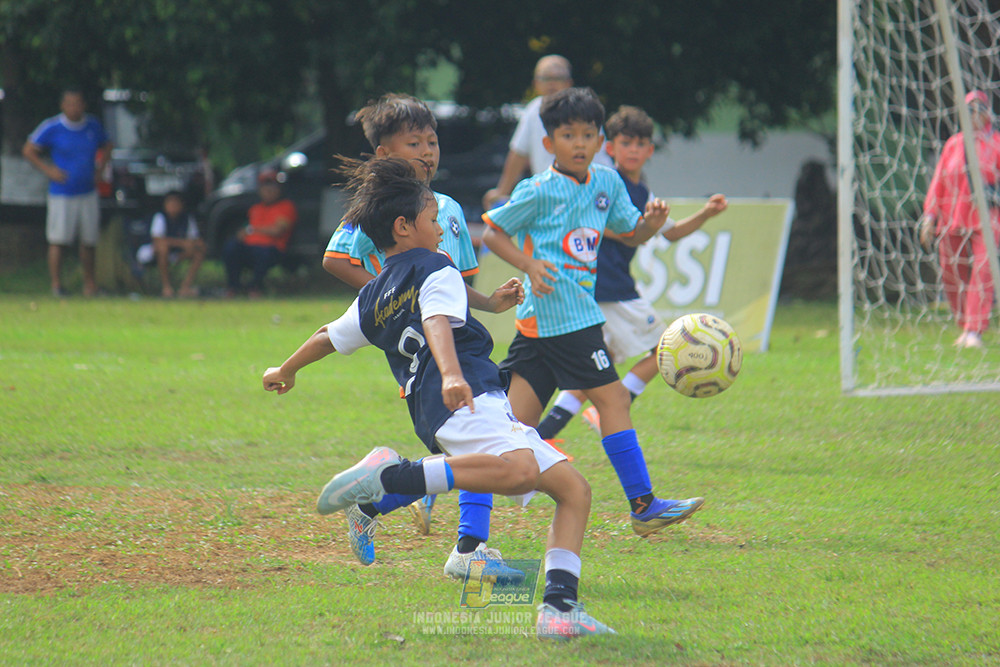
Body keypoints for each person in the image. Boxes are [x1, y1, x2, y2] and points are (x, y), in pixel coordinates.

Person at [263, 156, 614, 639]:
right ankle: (390, 475)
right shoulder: (438, 266)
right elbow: (436, 322)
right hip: (463, 393)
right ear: (405, 227)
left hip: (440, 406)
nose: (441, 231)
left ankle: (559, 608)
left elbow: (330, 335)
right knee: (520, 474)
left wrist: (287, 368)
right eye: (433, 221)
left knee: (573, 490)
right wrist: (451, 374)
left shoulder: (376, 292)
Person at [481, 88, 705, 537]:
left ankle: (413, 489)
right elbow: (493, 233)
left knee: (509, 432)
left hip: (546, 324)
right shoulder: (538, 189)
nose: (579, 144)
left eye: (587, 134)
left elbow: (630, 233)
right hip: (566, 318)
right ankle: (643, 505)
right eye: (567, 135)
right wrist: (528, 265)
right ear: (548, 145)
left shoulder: (607, 183)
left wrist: (652, 226)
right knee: (615, 399)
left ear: (601, 139)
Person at [322, 93, 521, 583]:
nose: (428, 151)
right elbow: (335, 259)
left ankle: (398, 514)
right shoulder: (379, 209)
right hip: (424, 354)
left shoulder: (447, 209)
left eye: (432, 141)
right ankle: (461, 545)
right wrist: (386, 302)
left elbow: (450, 281)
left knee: (476, 444)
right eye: (414, 142)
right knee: (479, 443)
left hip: (457, 343)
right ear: (384, 154)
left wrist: (492, 304)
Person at [535, 105, 729, 439]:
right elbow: (601, 224)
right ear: (609, 148)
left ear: (650, 150)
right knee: (666, 347)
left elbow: (670, 231)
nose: (633, 150)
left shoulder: (641, 191)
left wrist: (706, 214)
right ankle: (615, 403)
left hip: (606, 287)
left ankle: (545, 434)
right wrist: (640, 227)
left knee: (597, 364)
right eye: (626, 143)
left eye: (640, 144)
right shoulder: (604, 182)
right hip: (608, 286)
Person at [921, 89, 1000, 349]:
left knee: (982, 271)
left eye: (979, 108)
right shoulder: (953, 144)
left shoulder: (996, 142)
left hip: (987, 218)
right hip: (953, 216)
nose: (975, 114)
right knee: (952, 272)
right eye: (970, 109)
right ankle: (964, 324)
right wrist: (929, 216)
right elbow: (938, 182)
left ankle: (974, 330)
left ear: (987, 112)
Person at [482, 55, 610, 210]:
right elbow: (518, 154)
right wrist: (502, 191)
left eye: (558, 78)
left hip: (590, 193)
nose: (552, 84)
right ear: (535, 84)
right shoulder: (533, 110)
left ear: (569, 83)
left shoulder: (582, 110)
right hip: (549, 195)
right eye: (546, 78)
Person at [22, 88, 112, 297]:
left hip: (88, 191)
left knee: (89, 240)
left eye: (78, 103)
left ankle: (90, 285)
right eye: (70, 103)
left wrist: (99, 170)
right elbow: (29, 150)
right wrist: (49, 170)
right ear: (63, 105)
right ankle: (56, 285)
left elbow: (108, 145)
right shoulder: (53, 127)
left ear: (84, 105)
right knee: (58, 240)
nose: (74, 108)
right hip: (62, 192)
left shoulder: (92, 126)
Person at [222, 170, 297, 298]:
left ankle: (255, 288)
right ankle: (233, 287)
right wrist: (245, 232)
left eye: (272, 186)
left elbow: (277, 230)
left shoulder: (286, 206)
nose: (268, 190)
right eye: (265, 186)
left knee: (262, 253)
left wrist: (254, 230)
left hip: (271, 248)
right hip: (250, 246)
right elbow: (244, 231)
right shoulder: (255, 209)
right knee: (231, 247)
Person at [137, 191, 207, 298]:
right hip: (153, 252)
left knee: (199, 251)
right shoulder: (160, 217)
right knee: (163, 248)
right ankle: (166, 287)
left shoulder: (187, 219)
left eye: (176, 203)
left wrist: (191, 244)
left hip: (176, 253)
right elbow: (158, 240)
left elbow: (195, 240)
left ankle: (185, 287)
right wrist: (182, 243)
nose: (173, 206)